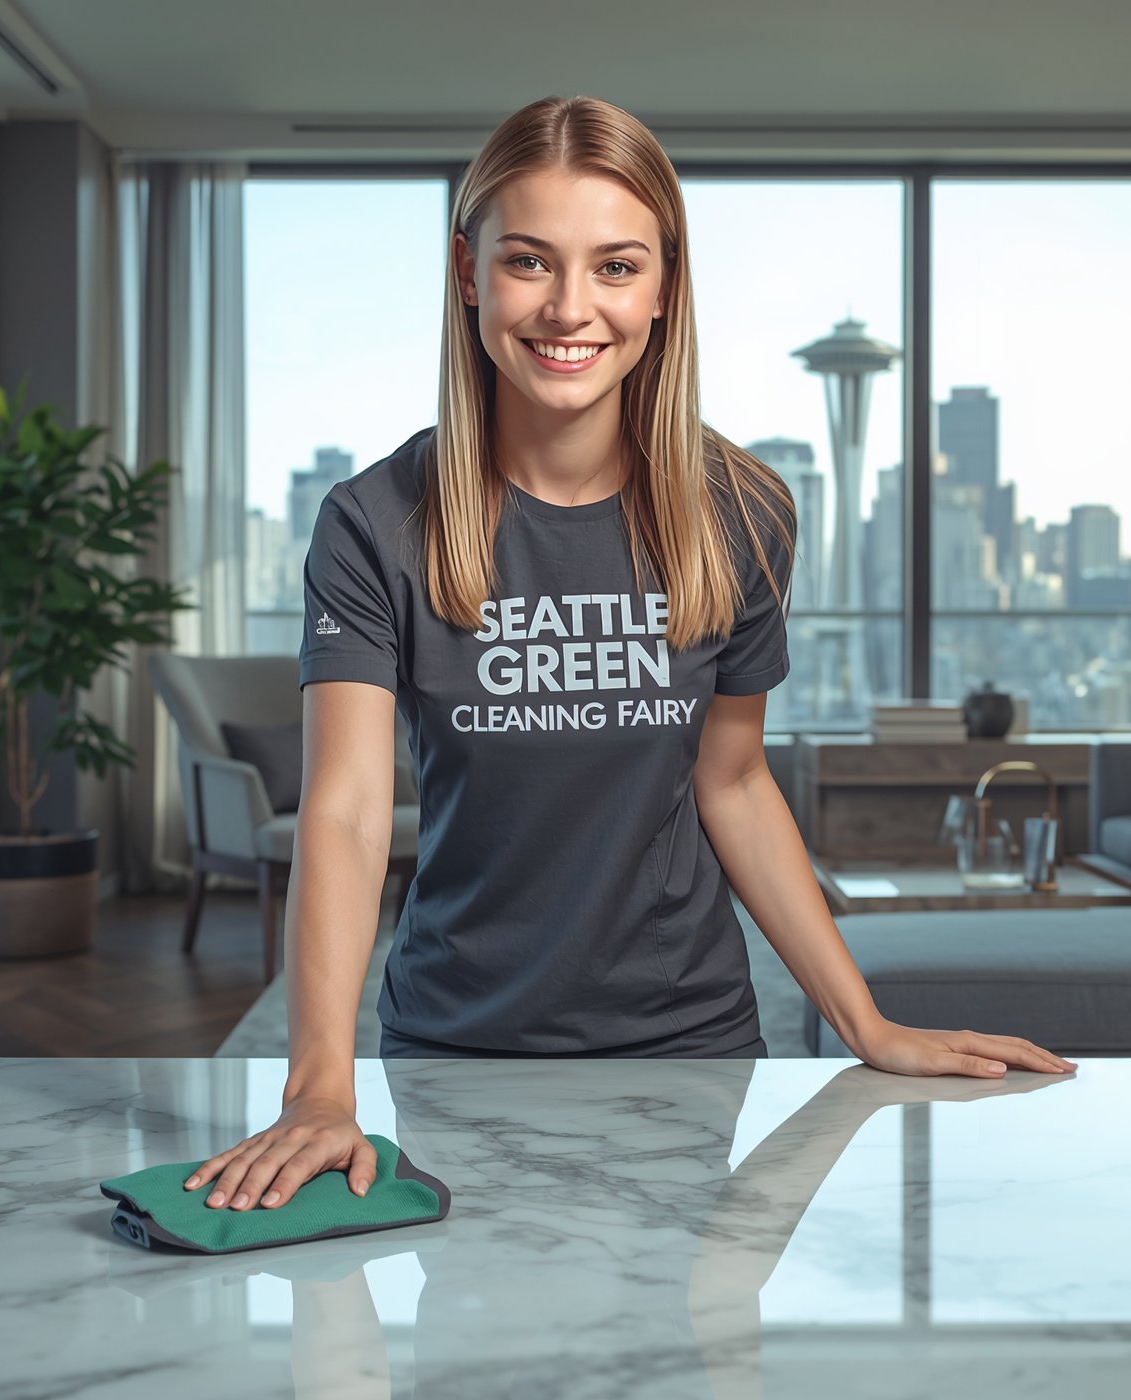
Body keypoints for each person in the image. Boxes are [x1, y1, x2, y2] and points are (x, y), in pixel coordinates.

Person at [185, 95, 1073, 1216]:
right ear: (467, 273)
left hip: (689, 1043)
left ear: (662, 287)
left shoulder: (742, 509)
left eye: (615, 266)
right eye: (528, 261)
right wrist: (320, 1085)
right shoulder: (375, 523)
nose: (570, 308)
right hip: (458, 1042)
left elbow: (732, 781)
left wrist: (867, 1022)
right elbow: (350, 811)